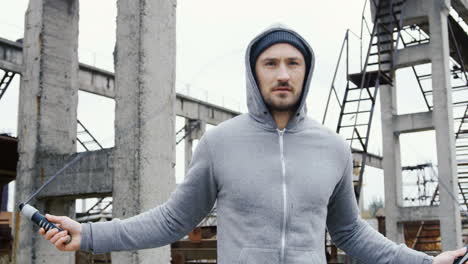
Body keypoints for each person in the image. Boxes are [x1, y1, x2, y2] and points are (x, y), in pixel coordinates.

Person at [40, 26, 466, 264]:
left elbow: (352, 232)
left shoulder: (334, 148)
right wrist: (90, 234)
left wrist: (425, 263)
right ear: (254, 73)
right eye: (271, 63)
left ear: (305, 72)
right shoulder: (220, 143)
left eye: (293, 63)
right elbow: (172, 221)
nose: (283, 73)